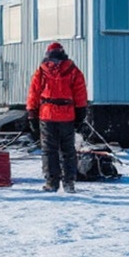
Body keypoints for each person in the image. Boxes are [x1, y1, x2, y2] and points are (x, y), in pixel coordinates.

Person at [26, 42, 88, 193]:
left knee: (49, 150)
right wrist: (81, 114)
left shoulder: (41, 71)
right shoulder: (73, 70)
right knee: (68, 150)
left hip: (47, 115)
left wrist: (31, 114)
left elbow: (33, 94)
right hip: (67, 115)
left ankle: (51, 182)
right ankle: (69, 183)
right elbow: (80, 93)